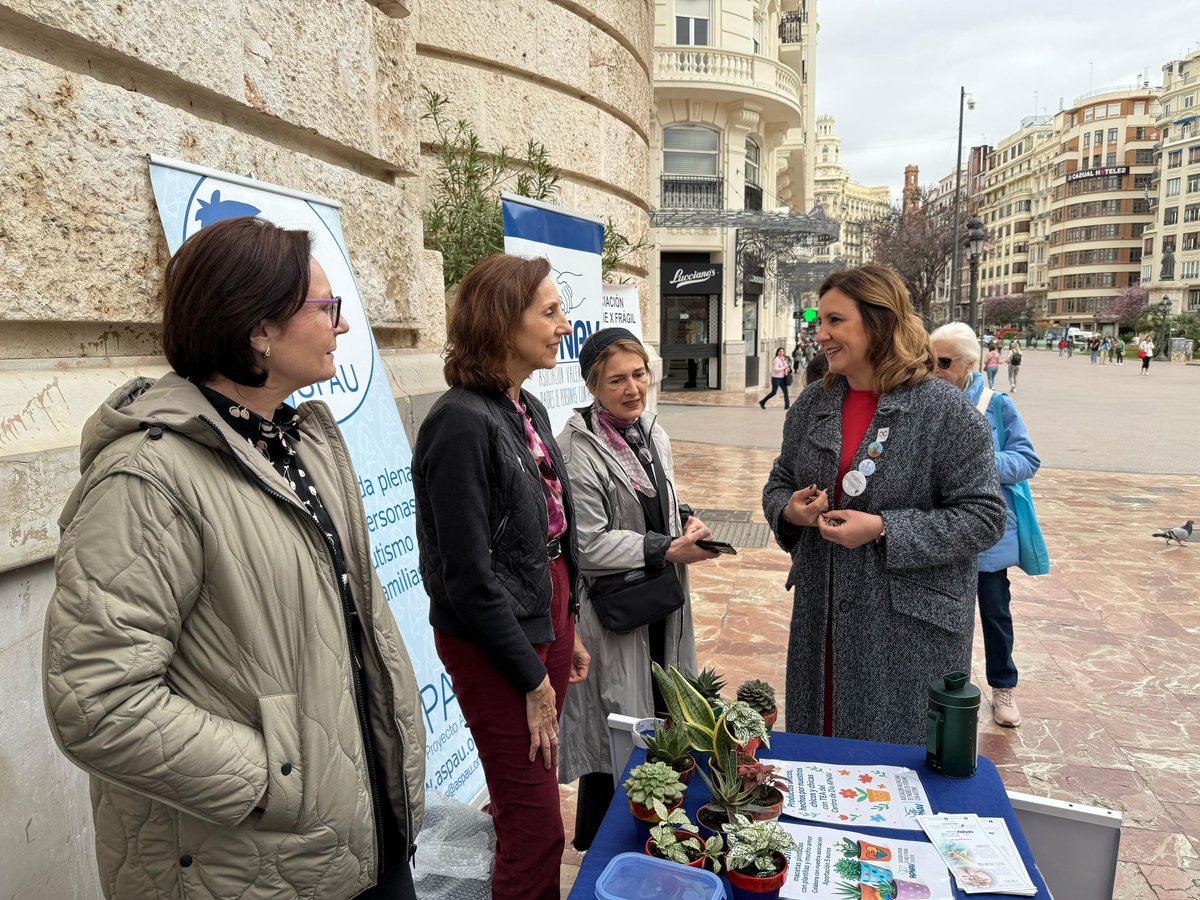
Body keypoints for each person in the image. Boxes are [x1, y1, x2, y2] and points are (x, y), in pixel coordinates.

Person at [43, 217, 426, 899]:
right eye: (326, 307)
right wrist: (276, 779)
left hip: (360, 838)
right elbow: (97, 701)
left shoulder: (303, 445)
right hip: (250, 864)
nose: (341, 326)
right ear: (259, 331)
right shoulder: (148, 478)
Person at [762, 265, 1005, 746]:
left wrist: (883, 528)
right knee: (821, 752)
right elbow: (780, 480)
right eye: (819, 320)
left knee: (894, 767)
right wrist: (790, 511)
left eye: (835, 320)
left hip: (905, 631)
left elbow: (985, 515)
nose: (821, 333)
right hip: (823, 617)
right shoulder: (813, 403)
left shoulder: (944, 412)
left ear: (878, 322)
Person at [412, 253, 590, 900]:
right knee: (538, 829)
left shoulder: (526, 405)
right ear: (499, 322)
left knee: (525, 797)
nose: (564, 325)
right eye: (548, 312)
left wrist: (570, 625)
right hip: (496, 638)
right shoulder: (460, 421)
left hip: (546, 614)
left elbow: (548, 530)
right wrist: (530, 677)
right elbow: (466, 576)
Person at [556, 327, 718, 851]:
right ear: (592, 386)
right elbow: (589, 546)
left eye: (639, 374)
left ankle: (661, 838)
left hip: (661, 605)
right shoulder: (575, 451)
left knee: (663, 718)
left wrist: (686, 521)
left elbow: (657, 507)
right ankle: (606, 850)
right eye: (616, 380)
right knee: (617, 736)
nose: (632, 388)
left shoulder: (650, 431)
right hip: (617, 613)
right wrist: (665, 549)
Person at [931, 323, 1042, 728]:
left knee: (995, 613)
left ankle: (1003, 687)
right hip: (938, 532)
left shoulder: (998, 404)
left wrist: (976, 466)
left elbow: (1028, 459)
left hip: (985, 535)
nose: (935, 370)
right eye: (930, 361)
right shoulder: (924, 402)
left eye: (944, 362)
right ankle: (937, 687)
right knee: (937, 616)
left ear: (969, 364)